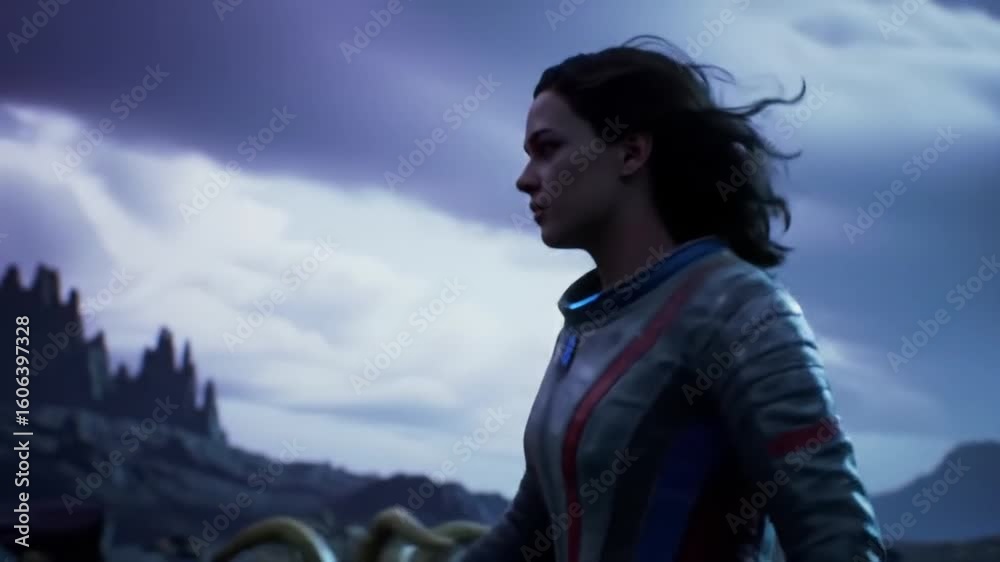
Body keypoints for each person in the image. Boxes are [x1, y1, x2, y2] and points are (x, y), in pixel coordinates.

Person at [458, 35, 886, 562]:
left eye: (548, 149)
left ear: (631, 152)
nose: (525, 180)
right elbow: (532, 528)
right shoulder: (587, 323)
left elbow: (838, 538)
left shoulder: (741, 309)